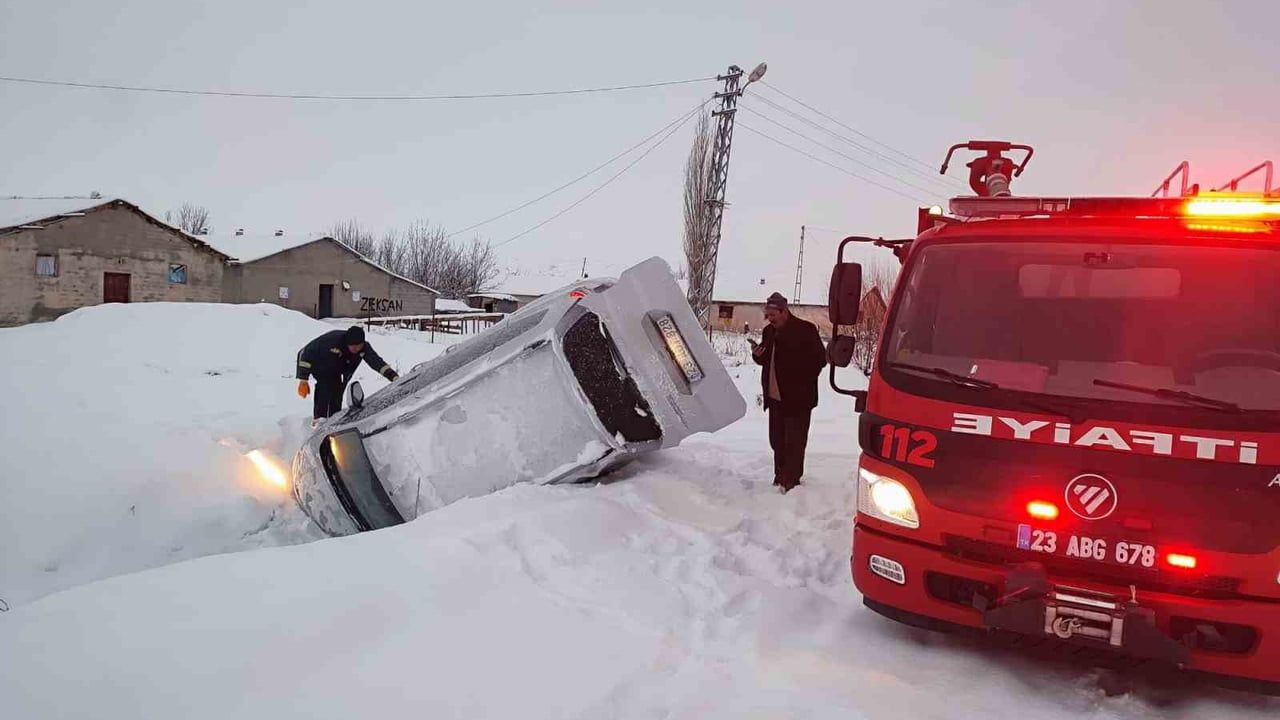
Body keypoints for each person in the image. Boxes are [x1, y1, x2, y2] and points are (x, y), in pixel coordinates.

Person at [751, 293, 826, 492]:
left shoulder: (805, 330)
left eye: (773, 315)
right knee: (777, 440)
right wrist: (757, 355)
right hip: (775, 397)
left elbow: (820, 360)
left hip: (798, 399)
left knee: (794, 441)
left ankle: (791, 480)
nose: (769, 319)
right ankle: (779, 475)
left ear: (784, 312)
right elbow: (766, 359)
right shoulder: (769, 332)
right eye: (767, 315)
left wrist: (799, 379)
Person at [296, 326, 399, 421]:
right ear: (347, 342)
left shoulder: (364, 348)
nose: (355, 349)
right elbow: (305, 353)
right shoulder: (331, 341)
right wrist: (303, 379)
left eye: (358, 346)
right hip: (319, 364)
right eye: (352, 346)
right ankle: (319, 421)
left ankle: (334, 420)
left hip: (337, 368)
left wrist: (393, 377)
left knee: (337, 392)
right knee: (325, 389)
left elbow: (376, 362)